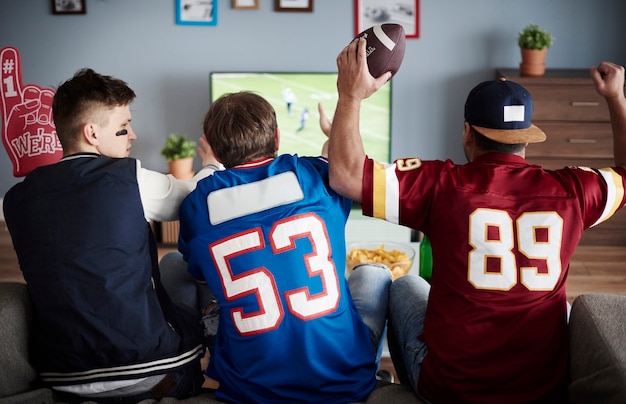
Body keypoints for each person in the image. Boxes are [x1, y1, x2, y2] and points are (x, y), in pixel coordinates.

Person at [326, 37, 626, 403]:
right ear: (526, 139)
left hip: (452, 388)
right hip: (541, 389)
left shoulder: (442, 185)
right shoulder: (574, 190)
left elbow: (345, 175)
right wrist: (615, 97)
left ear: (468, 132)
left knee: (405, 285)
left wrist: (350, 95)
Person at [3, 68, 222, 403]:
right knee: (178, 265)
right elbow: (197, 198)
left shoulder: (16, 199)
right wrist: (211, 164)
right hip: (150, 373)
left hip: (63, 378)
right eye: (123, 127)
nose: (132, 135)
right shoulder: (130, 178)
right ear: (91, 133)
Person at [177, 91, 392, 403]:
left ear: (215, 149)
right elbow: (340, 167)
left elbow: (200, 278)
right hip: (343, 380)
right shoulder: (314, 175)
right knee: (375, 274)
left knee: (190, 276)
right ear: (277, 138)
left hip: (251, 387)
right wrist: (335, 135)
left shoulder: (197, 205)